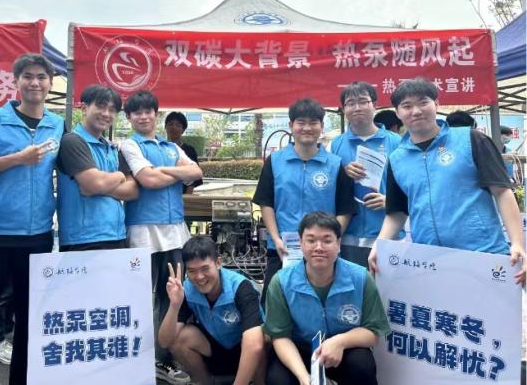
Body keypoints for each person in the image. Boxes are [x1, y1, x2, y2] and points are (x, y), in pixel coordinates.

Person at [369, 78, 526, 285]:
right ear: (398, 113)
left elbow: (502, 191)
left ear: (436, 104)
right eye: (407, 106)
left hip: (482, 254)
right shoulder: (397, 159)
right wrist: (379, 245)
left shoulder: (471, 140)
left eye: (423, 102)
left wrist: (517, 243)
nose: (416, 111)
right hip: (429, 260)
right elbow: (397, 212)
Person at [0, 54, 65, 385]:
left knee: (29, 318)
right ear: (16, 81)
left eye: (41, 77)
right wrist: (17, 159)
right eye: (28, 76)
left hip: (37, 236)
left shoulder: (58, 125)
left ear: (50, 83)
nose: (35, 82)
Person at [120, 90, 203, 385]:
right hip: (142, 231)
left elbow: (195, 172)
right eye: (137, 112)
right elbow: (148, 179)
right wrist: (176, 173)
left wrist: (163, 170)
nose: (143, 116)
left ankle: (162, 358)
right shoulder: (129, 144)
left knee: (171, 299)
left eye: (148, 111)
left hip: (175, 232)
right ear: (129, 117)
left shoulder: (170, 147)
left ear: (156, 114)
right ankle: (136, 357)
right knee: (141, 298)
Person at [264, 212, 389, 385]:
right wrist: (304, 377)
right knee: (277, 379)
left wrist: (340, 342)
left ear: (338, 244)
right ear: (301, 243)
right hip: (299, 350)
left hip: (343, 350)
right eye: (311, 240)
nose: (319, 247)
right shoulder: (281, 282)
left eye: (327, 240)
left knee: (362, 364)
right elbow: (280, 336)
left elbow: (373, 331)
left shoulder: (360, 278)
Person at [252, 98, 356, 304]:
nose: (307, 128)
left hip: (322, 251)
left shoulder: (335, 164)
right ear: (291, 125)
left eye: (313, 122)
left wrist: (330, 241)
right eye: (301, 122)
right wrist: (276, 238)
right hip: (282, 249)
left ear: (321, 126)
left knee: (319, 303)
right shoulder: (275, 161)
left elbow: (345, 209)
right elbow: (266, 203)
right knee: (275, 303)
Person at [159, 236, 266, 385]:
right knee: (179, 338)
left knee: (261, 339)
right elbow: (165, 341)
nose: (199, 277)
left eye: (205, 268)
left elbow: (254, 344)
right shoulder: (187, 289)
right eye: (192, 271)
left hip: (246, 351)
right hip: (213, 349)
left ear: (218, 263)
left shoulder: (241, 287)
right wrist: (174, 305)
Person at [56, 84, 138, 250]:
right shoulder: (72, 141)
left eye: (112, 110)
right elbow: (95, 184)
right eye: (100, 106)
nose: (106, 114)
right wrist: (119, 176)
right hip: (83, 239)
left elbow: (133, 191)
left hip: (116, 234)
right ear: (84, 108)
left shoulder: (111, 148)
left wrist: (99, 186)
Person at [330, 82, 402, 267]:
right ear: (343, 109)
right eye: (350, 103)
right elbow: (328, 190)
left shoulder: (397, 143)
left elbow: (410, 186)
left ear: (375, 105)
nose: (357, 108)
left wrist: (391, 201)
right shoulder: (335, 145)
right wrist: (343, 174)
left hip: (389, 237)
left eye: (363, 101)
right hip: (348, 238)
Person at [165, 112, 203, 194]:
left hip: (182, 194)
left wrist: (187, 198)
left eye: (178, 125)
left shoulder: (189, 150)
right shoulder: (159, 148)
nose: (173, 127)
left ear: (183, 130)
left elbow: (193, 180)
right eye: (170, 124)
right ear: (166, 127)